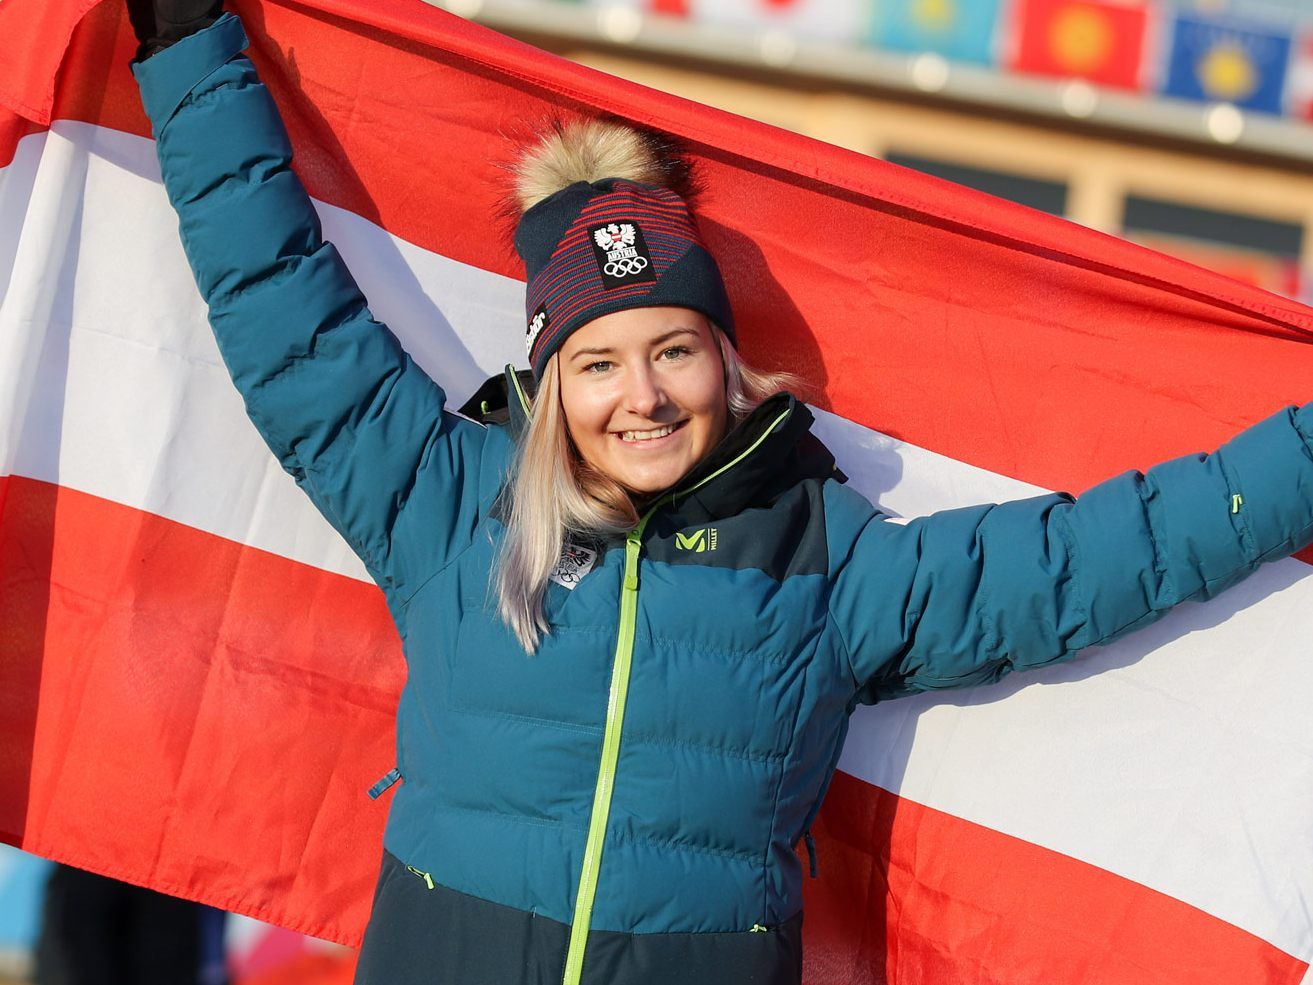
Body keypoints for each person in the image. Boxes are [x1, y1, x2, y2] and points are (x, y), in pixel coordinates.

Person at [125, 3, 1313, 984]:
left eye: (674, 350)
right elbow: (282, 307)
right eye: (596, 362)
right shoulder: (447, 502)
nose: (640, 395)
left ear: (727, 365)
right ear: (547, 383)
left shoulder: (825, 558)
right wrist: (188, 57)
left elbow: (1099, 556)